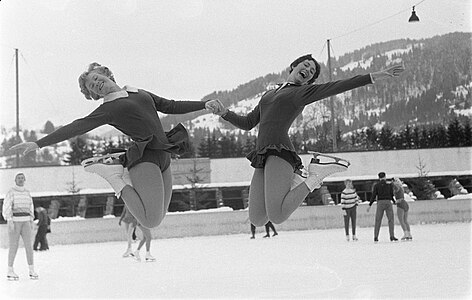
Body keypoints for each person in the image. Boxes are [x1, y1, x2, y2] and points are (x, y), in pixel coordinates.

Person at [9, 62, 222, 230]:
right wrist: (38, 143)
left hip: (163, 154)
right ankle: (113, 177)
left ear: (106, 74)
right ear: (94, 95)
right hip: (144, 158)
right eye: (92, 87)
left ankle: (117, 172)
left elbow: (170, 105)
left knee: (159, 216)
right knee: (150, 221)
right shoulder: (109, 108)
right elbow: (77, 127)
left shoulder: (138, 92)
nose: (96, 84)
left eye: (96, 79)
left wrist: (203, 105)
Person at [211, 54, 404, 227]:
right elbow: (248, 123)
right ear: (293, 67)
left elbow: (337, 86)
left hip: (280, 152)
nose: (308, 71)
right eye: (305, 65)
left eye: (312, 72)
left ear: (309, 80)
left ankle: (315, 176)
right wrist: (225, 113)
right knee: (257, 218)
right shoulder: (269, 94)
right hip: (262, 154)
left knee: (277, 216)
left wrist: (376, 75)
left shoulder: (301, 93)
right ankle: (300, 179)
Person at [2, 173, 39, 280]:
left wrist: (31, 219)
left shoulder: (27, 193)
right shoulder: (11, 192)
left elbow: (31, 206)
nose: (20, 180)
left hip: (26, 222)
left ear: (25, 180)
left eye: (22, 178)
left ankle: (31, 270)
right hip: (15, 222)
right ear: (15, 180)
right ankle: (10, 270)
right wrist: (9, 220)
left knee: (29, 246)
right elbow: (7, 205)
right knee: (13, 246)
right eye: (18, 178)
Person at [367, 172, 398, 242]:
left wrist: (370, 205)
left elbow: (373, 195)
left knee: (378, 220)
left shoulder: (377, 186)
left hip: (380, 203)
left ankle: (376, 236)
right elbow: (391, 195)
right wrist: (394, 201)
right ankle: (392, 236)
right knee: (391, 219)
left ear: (379, 178)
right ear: (385, 177)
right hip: (388, 202)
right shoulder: (389, 185)